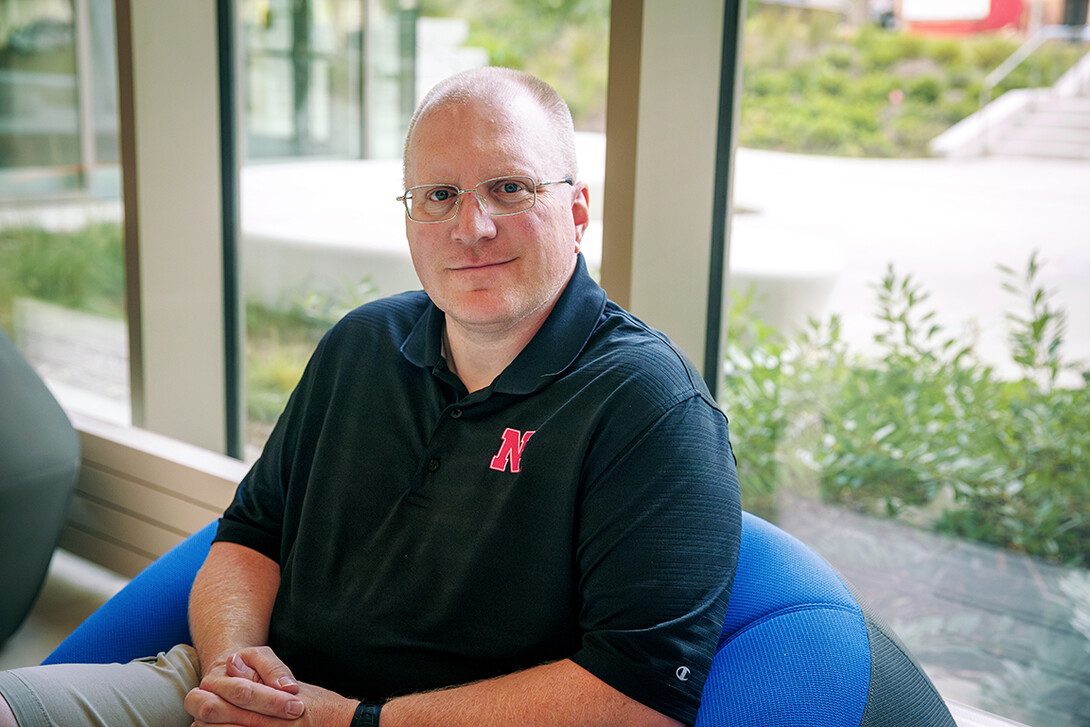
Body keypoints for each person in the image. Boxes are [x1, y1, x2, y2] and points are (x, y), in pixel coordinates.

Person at [0, 67, 740, 727]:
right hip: (246, 692)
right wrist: (241, 674)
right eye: (439, 195)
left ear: (577, 211)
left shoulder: (649, 404)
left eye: (509, 188)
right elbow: (250, 534)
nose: (471, 227)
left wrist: (355, 720)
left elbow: (637, 694)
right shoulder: (361, 343)